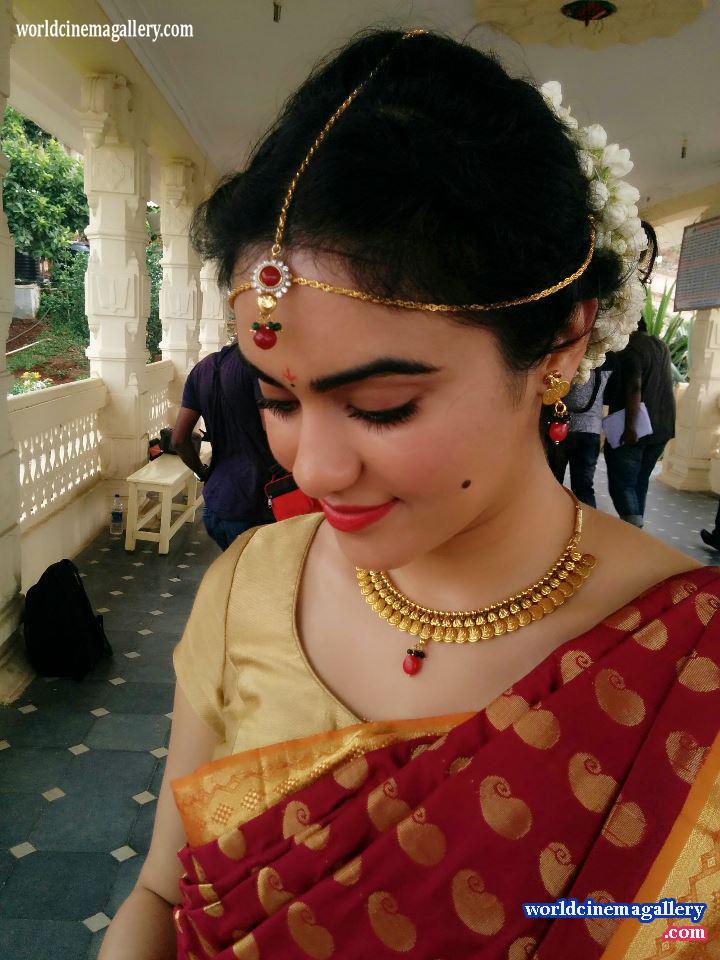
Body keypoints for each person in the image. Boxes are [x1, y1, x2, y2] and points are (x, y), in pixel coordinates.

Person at [100, 30, 720, 960]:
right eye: (278, 400)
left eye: (382, 406)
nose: (313, 469)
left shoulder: (690, 665)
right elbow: (161, 891)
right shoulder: (251, 582)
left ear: (558, 345)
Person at [171, 343, 274, 550]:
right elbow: (272, 429)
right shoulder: (260, 367)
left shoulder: (202, 369)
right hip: (255, 501)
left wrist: (201, 472)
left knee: (233, 567)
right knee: (258, 570)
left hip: (215, 501)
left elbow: (178, 440)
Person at [603, 317, 676, 527]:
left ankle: (634, 526)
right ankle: (635, 529)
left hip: (636, 429)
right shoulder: (661, 346)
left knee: (623, 483)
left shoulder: (631, 350)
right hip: (661, 427)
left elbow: (635, 387)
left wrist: (630, 428)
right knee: (640, 482)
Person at [546, 354, 616, 507]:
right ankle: (585, 521)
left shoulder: (569, 360)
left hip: (561, 430)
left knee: (553, 482)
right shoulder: (609, 361)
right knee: (583, 487)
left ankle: (551, 517)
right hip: (590, 431)